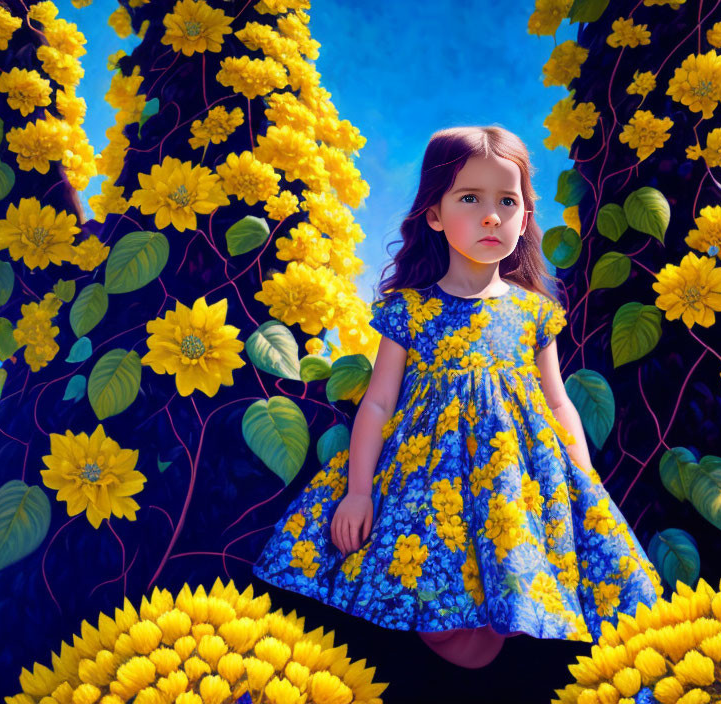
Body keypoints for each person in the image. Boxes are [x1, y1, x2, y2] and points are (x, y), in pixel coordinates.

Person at [252, 125, 664, 669]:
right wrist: (357, 492)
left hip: (515, 482)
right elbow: (377, 403)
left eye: (508, 201)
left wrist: (582, 482)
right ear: (435, 214)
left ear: (524, 217)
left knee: (521, 595)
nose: (492, 215)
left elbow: (558, 401)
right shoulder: (410, 310)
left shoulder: (534, 311)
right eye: (470, 198)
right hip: (425, 482)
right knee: (439, 610)